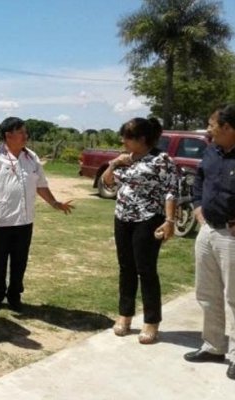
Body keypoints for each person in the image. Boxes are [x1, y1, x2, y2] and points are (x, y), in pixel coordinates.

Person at [0, 117, 74, 313]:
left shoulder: (32, 157)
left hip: (25, 219)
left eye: (26, 132)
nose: (26, 136)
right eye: (22, 132)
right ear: (8, 135)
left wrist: (54, 203)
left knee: (20, 259)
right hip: (1, 219)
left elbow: (41, 185)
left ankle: (15, 294)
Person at [101, 117, 177, 344]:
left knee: (145, 269)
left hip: (148, 218)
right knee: (126, 267)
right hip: (122, 217)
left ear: (141, 139)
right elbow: (109, 184)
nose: (122, 140)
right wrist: (114, 164)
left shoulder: (161, 160)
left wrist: (170, 220)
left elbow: (170, 191)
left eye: (126, 137)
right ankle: (125, 315)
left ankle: (151, 321)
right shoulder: (127, 158)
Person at [183, 104, 235, 380]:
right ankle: (214, 345)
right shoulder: (212, 151)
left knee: (234, 297)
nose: (208, 130)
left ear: (228, 128)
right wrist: (196, 205)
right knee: (207, 292)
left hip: (231, 236)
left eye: (212, 125)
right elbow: (199, 179)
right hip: (207, 231)